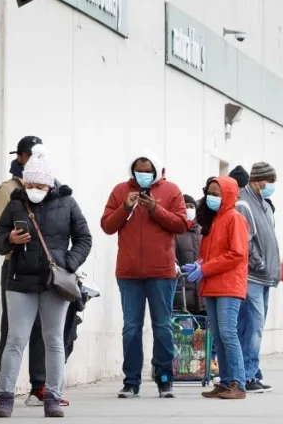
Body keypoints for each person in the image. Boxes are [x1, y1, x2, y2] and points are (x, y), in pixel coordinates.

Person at [0, 146, 92, 418]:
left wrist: (67, 264)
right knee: (15, 339)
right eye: (30, 183)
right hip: (19, 280)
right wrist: (9, 240)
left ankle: (53, 397)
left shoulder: (67, 203)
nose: (35, 188)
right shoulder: (15, 203)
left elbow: (84, 238)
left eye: (40, 184)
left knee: (54, 340)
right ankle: (4, 396)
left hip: (53, 283)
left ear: (50, 183)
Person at [101, 151, 187, 399]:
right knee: (131, 328)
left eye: (148, 170)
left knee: (162, 327)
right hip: (129, 273)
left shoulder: (171, 191)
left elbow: (181, 224)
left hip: (161, 272)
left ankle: (164, 378)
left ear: (157, 171)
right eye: (139, 170)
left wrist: (155, 210)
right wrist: (125, 207)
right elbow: (107, 225)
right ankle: (131, 381)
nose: (143, 174)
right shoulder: (120, 191)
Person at [0, 136, 53, 406]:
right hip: (16, 266)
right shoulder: (7, 190)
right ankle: (4, 386)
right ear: (22, 157)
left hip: (44, 270)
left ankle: (39, 385)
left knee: (43, 330)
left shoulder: (49, 190)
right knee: (13, 331)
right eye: (33, 156)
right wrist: (12, 237)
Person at [181, 176, 248, 399]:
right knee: (218, 336)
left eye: (217, 193)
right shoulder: (212, 220)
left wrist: (205, 268)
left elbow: (236, 254)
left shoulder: (234, 219)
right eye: (210, 192)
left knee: (228, 333)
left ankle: (238, 383)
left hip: (228, 285)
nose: (212, 197)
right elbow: (209, 253)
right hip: (212, 284)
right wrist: (199, 264)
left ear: (228, 194)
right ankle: (226, 381)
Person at [234, 162, 280, 392]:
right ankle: (247, 375)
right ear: (258, 180)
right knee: (253, 328)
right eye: (269, 181)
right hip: (253, 276)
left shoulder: (263, 204)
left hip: (264, 278)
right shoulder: (244, 203)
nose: (272, 186)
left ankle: (249, 372)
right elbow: (247, 240)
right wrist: (260, 263)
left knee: (252, 327)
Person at [174, 194, 202, 313]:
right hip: (182, 292)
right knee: (183, 331)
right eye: (185, 206)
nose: (188, 209)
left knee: (205, 330)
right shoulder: (175, 232)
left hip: (203, 295)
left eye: (191, 206)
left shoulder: (203, 230)